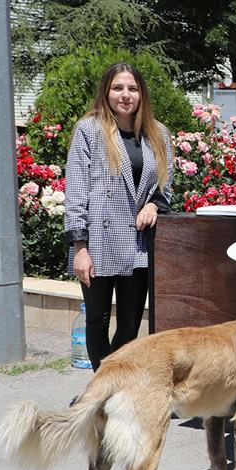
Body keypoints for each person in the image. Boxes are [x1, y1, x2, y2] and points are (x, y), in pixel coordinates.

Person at [63, 63, 173, 371]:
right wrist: (79, 247)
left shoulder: (157, 133)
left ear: (141, 94)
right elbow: (76, 189)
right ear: (106, 92)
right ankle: (106, 391)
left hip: (137, 243)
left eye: (132, 89)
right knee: (97, 322)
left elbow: (166, 186)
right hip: (97, 240)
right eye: (118, 88)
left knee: (130, 326)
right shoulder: (90, 129)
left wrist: (153, 206)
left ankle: (111, 386)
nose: (125, 95)